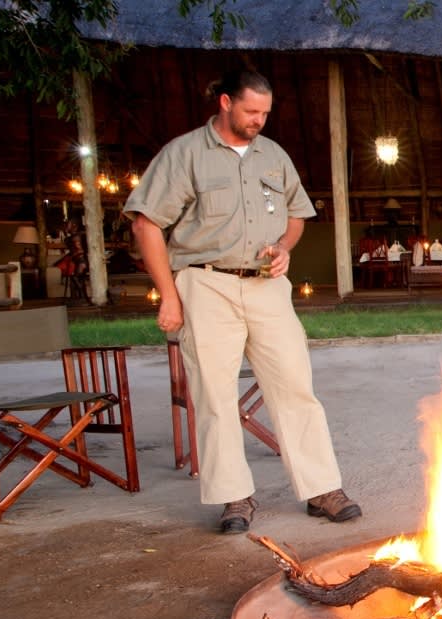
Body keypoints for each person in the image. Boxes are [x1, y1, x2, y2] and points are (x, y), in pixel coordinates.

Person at [125, 69, 361, 533]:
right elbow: (146, 224)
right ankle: (234, 497)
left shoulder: (273, 155)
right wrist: (169, 296)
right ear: (226, 102)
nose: (259, 121)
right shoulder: (184, 154)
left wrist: (286, 248)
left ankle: (321, 489)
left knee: (295, 386)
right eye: (251, 111)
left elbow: (297, 213)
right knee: (214, 394)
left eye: (266, 113)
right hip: (206, 283)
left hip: (267, 286)